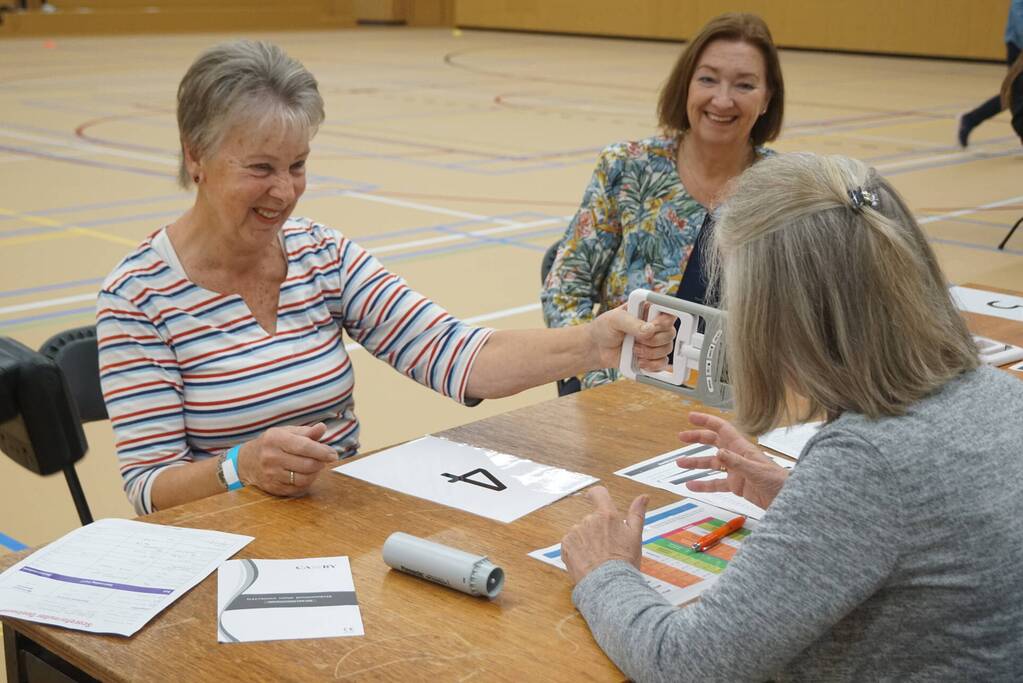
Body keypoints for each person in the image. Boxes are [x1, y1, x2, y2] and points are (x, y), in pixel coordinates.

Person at [96, 40, 675, 516]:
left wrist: (595, 342)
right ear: (195, 155)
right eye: (261, 169)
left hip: (332, 521)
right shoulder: (138, 297)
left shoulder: (322, 255)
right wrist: (239, 468)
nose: (285, 192)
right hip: (219, 541)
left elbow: (456, 353)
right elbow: (149, 486)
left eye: (297, 166)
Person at [560, 153, 1023, 680]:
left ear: (779, 315)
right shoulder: (995, 393)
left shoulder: (867, 462)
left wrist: (605, 571)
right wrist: (804, 499)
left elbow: (687, 665)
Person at [541, 12, 784, 391]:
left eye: (745, 85)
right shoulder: (627, 166)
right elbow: (565, 286)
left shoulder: (785, 188)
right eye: (707, 79)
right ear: (685, 86)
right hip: (620, 388)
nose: (722, 99)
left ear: (767, 99)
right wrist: (600, 373)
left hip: (736, 402)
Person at [958, 0, 1023, 147]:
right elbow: (1020, 23)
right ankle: (970, 119)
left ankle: (971, 119)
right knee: (1012, 94)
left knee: (1013, 96)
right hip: (1018, 50)